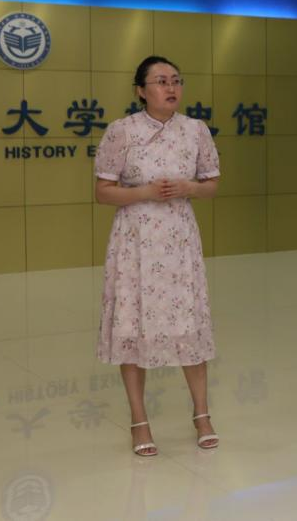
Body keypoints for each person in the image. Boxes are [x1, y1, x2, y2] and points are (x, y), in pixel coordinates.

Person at [94, 55, 221, 456]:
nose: (171, 88)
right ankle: (139, 420)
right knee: (132, 325)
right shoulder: (121, 131)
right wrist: (145, 193)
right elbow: (102, 192)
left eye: (177, 80)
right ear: (141, 90)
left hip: (180, 240)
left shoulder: (195, 130)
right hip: (135, 241)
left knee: (188, 322)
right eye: (162, 81)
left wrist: (189, 188)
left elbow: (211, 184)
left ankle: (202, 414)